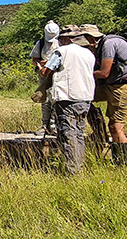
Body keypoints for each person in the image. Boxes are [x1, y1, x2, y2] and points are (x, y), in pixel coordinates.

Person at [38, 26, 96, 175]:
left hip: (67, 97)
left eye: (61, 38)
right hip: (85, 97)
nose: (60, 41)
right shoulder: (88, 53)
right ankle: (79, 164)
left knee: (68, 134)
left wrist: (41, 68)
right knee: (78, 133)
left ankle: (72, 171)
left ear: (67, 39)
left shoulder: (62, 51)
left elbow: (46, 72)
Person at [81, 24, 127, 167]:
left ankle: (123, 164)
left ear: (90, 37)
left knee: (115, 127)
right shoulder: (100, 45)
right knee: (82, 97)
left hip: (124, 87)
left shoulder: (109, 44)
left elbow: (104, 73)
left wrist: (80, 73)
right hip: (112, 86)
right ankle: (98, 130)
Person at [29, 20, 60, 135]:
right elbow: (34, 59)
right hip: (44, 76)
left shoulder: (61, 43)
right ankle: (45, 125)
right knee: (45, 99)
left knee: (56, 99)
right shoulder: (41, 43)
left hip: (58, 75)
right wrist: (40, 66)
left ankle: (54, 125)